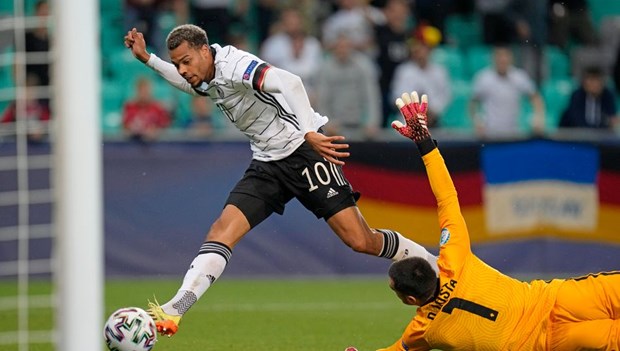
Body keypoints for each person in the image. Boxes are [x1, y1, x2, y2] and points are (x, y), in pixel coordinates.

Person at [123, 24, 438, 336]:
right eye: (177, 63)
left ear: (205, 50)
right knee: (222, 230)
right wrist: (148, 59)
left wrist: (308, 132)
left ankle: (434, 264)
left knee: (360, 240)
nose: (182, 69)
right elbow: (190, 85)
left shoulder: (235, 66)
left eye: (186, 61)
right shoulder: (204, 75)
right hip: (267, 163)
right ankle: (175, 309)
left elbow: (291, 82)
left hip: (305, 152)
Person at [349, 91, 620, 350]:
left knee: (612, 339)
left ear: (410, 300)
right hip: (553, 300)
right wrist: (424, 143)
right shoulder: (455, 259)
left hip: (545, 342)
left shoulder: (423, 331)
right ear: (432, 270)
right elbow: (446, 197)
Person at [316, 31, 382, 140]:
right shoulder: (325, 68)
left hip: (360, 125)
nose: (343, 50)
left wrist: (372, 122)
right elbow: (322, 99)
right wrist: (326, 124)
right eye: (339, 46)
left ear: (351, 47)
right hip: (335, 125)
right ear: (334, 48)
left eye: (346, 46)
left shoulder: (363, 65)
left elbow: (371, 95)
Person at [469, 46, 545, 138]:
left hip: (514, 132)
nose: (502, 61)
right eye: (499, 58)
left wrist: (537, 117)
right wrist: (477, 121)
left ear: (511, 59)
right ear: (494, 59)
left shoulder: (519, 77)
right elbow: (473, 103)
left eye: (505, 58)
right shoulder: (483, 78)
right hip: (490, 134)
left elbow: (535, 98)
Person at [390, 24, 451, 128]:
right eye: (417, 48)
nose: (420, 51)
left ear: (430, 50)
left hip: (433, 121)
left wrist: (432, 111)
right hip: (408, 123)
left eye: (424, 48)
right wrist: (415, 112)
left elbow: (445, 95)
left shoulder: (439, 71)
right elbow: (396, 97)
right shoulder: (404, 71)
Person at [559, 66, 619, 130]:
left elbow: (610, 119)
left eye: (597, 80)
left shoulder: (608, 96)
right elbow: (576, 120)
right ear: (584, 82)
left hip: (601, 136)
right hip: (579, 136)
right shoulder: (576, 96)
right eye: (591, 80)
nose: (594, 84)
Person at [121, 76, 172, 142]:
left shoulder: (157, 107)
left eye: (146, 90)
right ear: (137, 91)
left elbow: (165, 127)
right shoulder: (129, 106)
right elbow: (125, 127)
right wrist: (131, 130)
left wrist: (156, 131)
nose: (144, 94)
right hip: (133, 143)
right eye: (141, 90)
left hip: (155, 145)